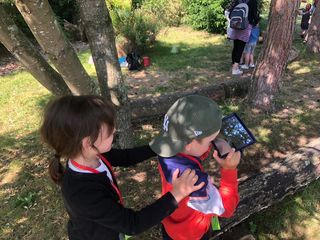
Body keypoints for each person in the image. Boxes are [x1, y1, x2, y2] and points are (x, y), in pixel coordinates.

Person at [39, 95, 205, 240]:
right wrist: (177, 194)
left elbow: (126, 158)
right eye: (110, 131)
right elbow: (132, 224)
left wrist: (158, 146)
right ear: (88, 143)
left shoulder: (93, 154)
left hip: (109, 228)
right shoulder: (80, 192)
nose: (115, 131)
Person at [149, 95, 241, 240]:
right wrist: (229, 170)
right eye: (210, 141)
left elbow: (191, 154)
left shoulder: (166, 149)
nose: (212, 144)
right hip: (190, 234)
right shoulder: (196, 183)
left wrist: (206, 144)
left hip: (172, 224)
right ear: (189, 143)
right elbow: (227, 209)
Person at [227, 0, 260, 75]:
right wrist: (255, 22)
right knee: (240, 47)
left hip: (236, 25)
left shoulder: (237, 0)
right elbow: (254, 15)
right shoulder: (253, 1)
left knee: (235, 46)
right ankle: (235, 68)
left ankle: (233, 66)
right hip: (245, 26)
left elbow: (230, 14)